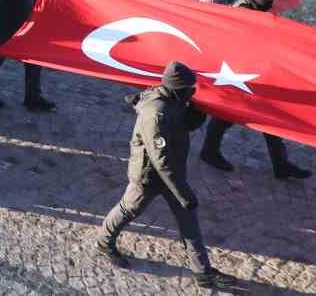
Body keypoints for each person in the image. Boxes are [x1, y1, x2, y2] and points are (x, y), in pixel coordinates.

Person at [95, 62, 246, 291]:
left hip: (172, 173)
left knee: (188, 219)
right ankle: (104, 243)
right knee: (129, 209)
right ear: (177, 88)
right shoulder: (155, 113)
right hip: (149, 176)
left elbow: (183, 125)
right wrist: (183, 192)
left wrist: (198, 113)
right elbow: (161, 159)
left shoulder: (173, 101)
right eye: (189, 89)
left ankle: (202, 272)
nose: (192, 92)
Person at [200, 0, 311, 181]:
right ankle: (209, 151)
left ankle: (280, 164)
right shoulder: (242, 13)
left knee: (265, 117)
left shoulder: (256, 10)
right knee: (226, 116)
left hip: (252, 73)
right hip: (238, 73)